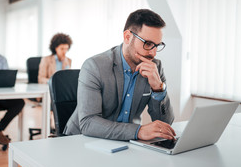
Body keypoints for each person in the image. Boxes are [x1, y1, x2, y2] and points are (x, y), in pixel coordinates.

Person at [64, 9, 175, 141]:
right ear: (128, 37)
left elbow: (165, 123)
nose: (153, 53)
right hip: (81, 140)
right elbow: (88, 123)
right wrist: (138, 131)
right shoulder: (94, 66)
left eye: (157, 45)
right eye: (148, 44)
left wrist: (158, 88)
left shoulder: (155, 68)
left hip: (125, 143)